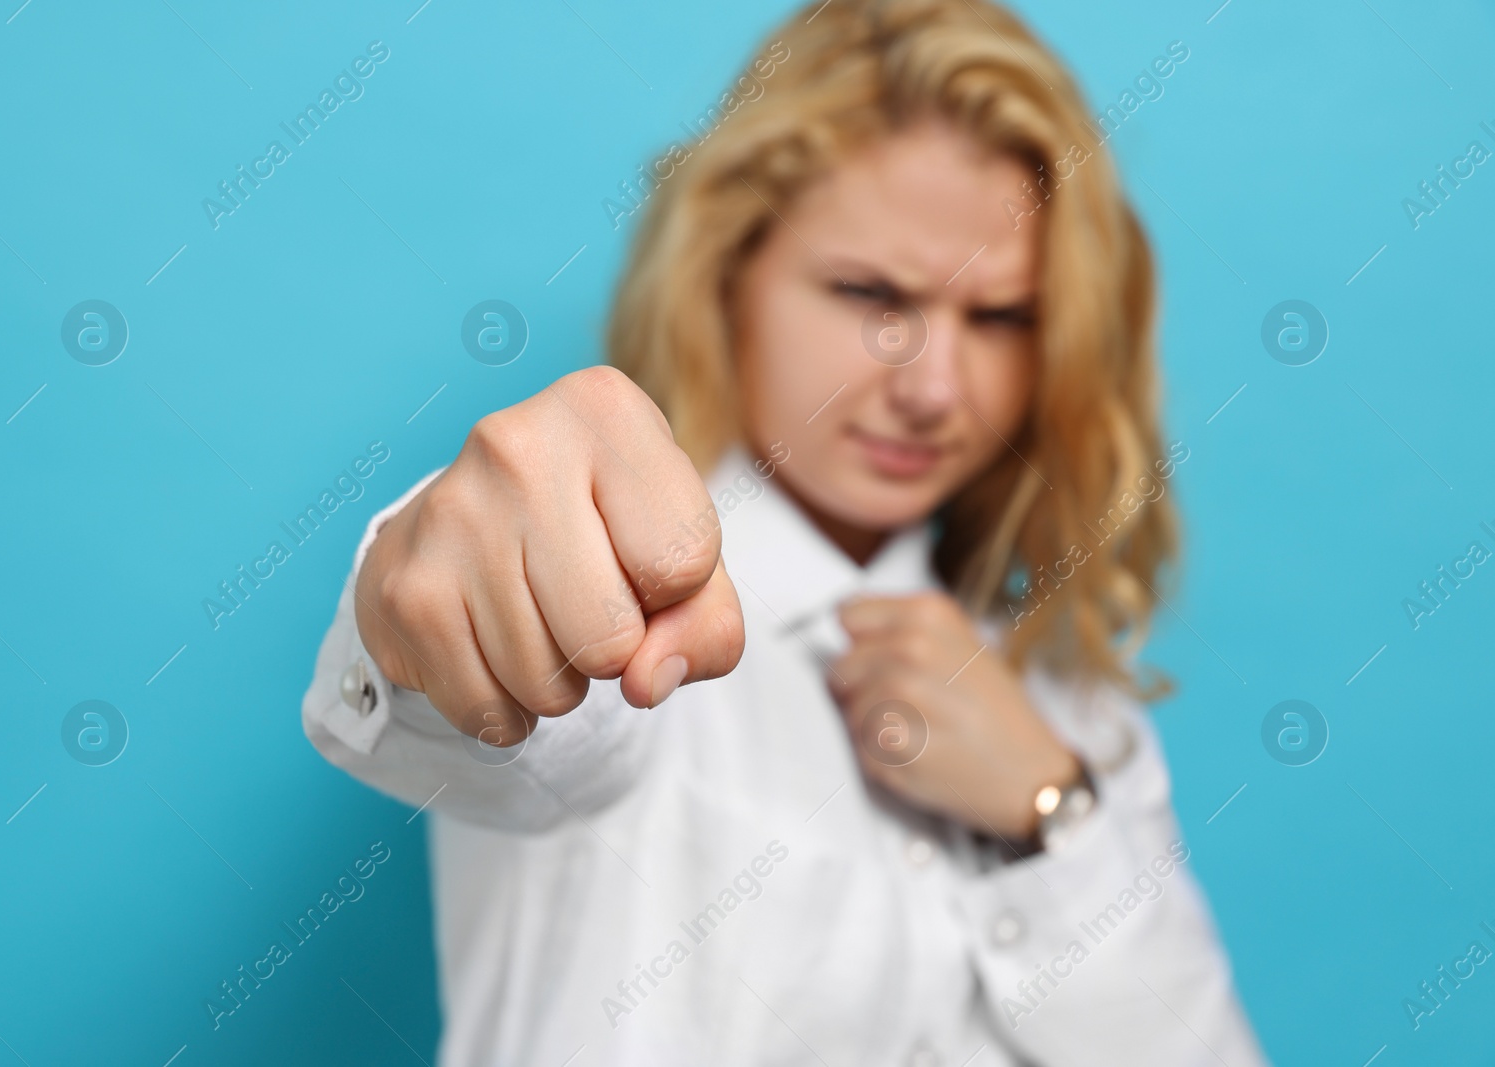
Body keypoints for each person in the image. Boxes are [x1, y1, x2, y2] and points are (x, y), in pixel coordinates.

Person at [302, 0, 1268, 1062]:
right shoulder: (626, 612)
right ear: (727, 278)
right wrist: (440, 575)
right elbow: (480, 677)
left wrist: (1050, 814)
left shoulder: (1069, 701)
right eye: (871, 293)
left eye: (997, 317)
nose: (935, 389)